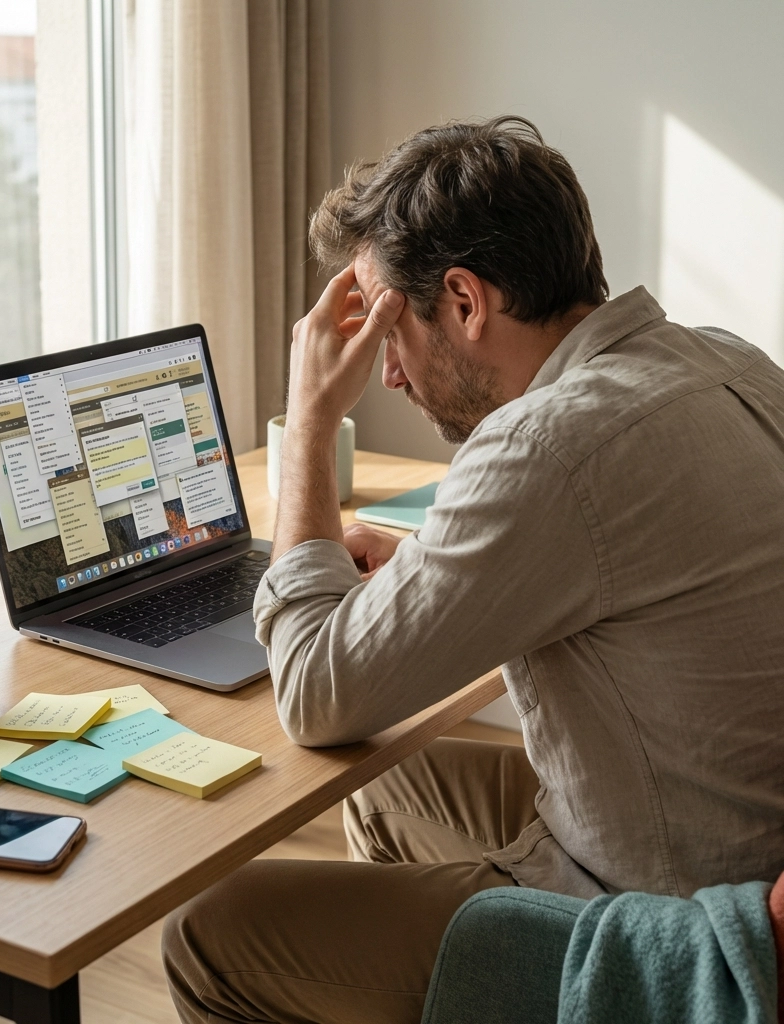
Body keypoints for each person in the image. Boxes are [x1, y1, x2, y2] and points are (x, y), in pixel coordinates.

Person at [162, 115, 784, 1024]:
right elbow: (633, 570)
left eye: (386, 324)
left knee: (209, 937)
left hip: (671, 914)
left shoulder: (546, 444)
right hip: (734, 836)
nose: (388, 374)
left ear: (464, 300)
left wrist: (305, 425)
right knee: (382, 787)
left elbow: (314, 694)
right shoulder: (726, 360)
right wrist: (426, 566)